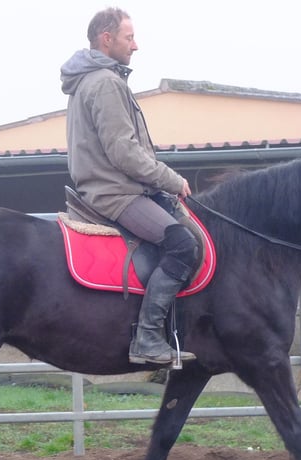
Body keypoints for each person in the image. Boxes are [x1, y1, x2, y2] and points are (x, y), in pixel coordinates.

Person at [60, 7, 198, 367]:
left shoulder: (91, 81)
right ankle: (149, 338)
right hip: (116, 193)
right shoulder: (105, 82)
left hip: (107, 186)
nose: (135, 45)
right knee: (183, 244)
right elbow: (124, 152)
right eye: (129, 37)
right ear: (107, 39)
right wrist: (172, 180)